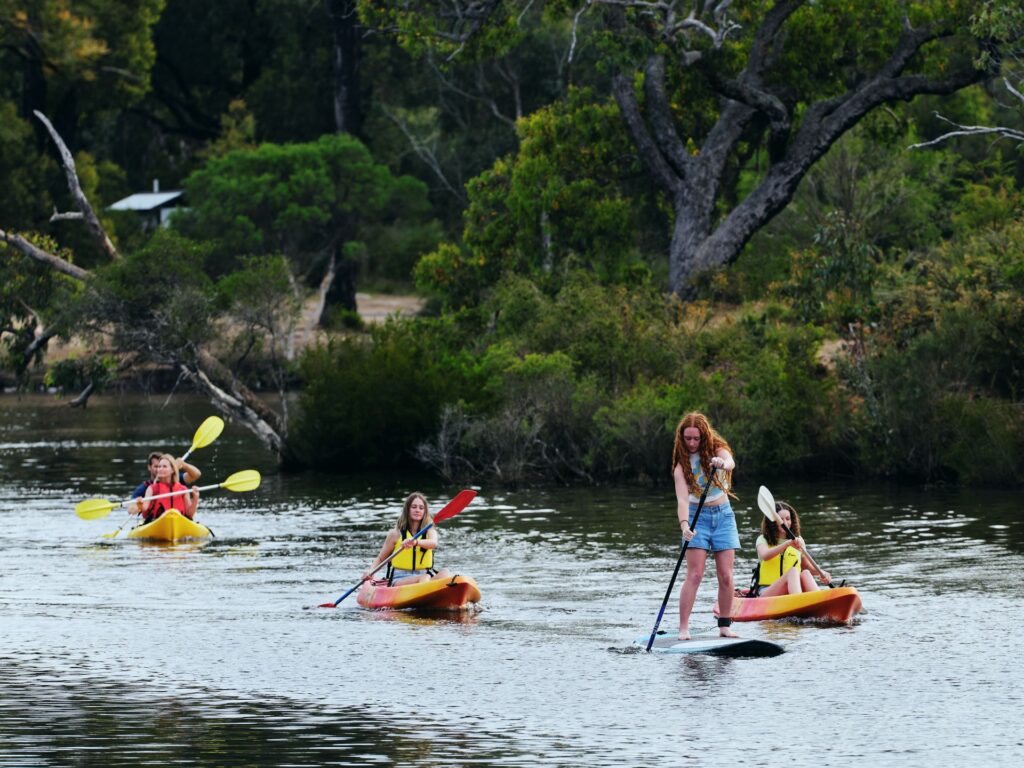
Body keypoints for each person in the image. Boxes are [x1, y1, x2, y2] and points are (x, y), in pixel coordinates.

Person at [672, 412, 739, 640]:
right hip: (695, 517)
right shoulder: (681, 466)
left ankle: (725, 625)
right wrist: (684, 526)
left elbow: (730, 462)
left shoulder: (716, 449)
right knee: (695, 575)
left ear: (704, 436)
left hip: (723, 515)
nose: (692, 443)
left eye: (696, 438)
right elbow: (682, 500)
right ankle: (683, 628)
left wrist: (722, 464)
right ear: (682, 438)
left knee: (726, 576)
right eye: (687, 438)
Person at [362, 492, 451, 586]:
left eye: (421, 508)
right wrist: (370, 570)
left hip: (425, 574)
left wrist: (415, 542)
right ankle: (426, 592)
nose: (417, 510)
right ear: (407, 509)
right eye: (414, 507)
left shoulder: (430, 531)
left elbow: (433, 543)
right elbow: (381, 559)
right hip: (401, 578)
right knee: (424, 578)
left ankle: (428, 589)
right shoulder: (395, 534)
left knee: (445, 572)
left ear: (425, 511)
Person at [754, 500, 831, 596]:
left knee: (805, 573)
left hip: (791, 591)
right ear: (773, 521)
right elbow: (765, 555)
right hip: (767, 591)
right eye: (781, 519)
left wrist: (822, 573)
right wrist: (787, 544)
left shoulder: (799, 541)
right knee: (793, 572)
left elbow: (806, 566)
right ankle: (799, 602)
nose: (785, 522)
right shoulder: (762, 539)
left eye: (788, 518)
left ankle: (820, 602)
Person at [131, 451, 201, 514]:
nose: (160, 469)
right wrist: (139, 504)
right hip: (157, 521)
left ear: (173, 470)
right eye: (158, 466)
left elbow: (189, 514)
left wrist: (195, 498)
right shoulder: (150, 488)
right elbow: (144, 508)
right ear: (149, 467)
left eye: (164, 466)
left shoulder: (183, 489)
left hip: (178, 521)